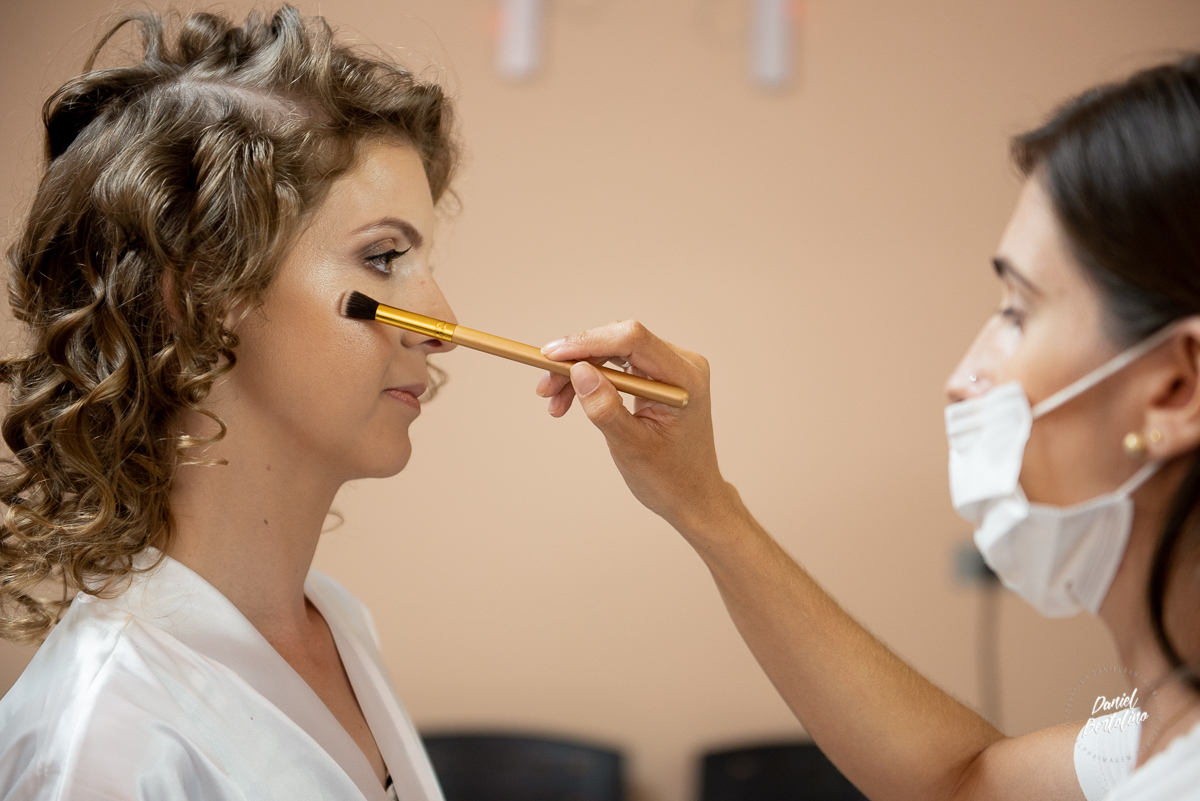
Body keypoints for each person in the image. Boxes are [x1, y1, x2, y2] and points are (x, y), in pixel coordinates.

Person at [536, 56, 1200, 800]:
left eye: (1018, 310)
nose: (964, 377)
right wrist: (699, 499)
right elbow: (962, 783)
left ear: (1175, 387)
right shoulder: (1155, 746)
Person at [0, 7, 459, 800]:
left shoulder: (337, 625)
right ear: (204, 296)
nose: (443, 319)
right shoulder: (110, 734)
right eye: (382, 257)